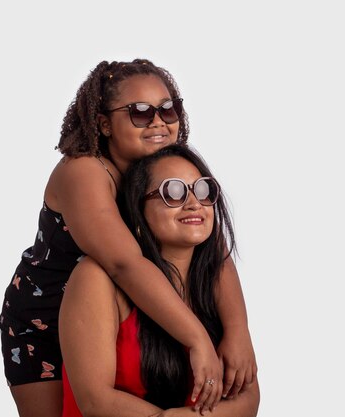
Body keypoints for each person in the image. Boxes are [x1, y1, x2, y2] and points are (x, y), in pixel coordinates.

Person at [0, 59, 256, 417]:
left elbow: (213, 251)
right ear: (104, 123)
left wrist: (237, 331)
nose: (158, 122)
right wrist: (197, 338)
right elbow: (124, 263)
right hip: (44, 319)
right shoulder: (85, 172)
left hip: (119, 309)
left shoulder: (161, 169)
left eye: (169, 110)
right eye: (139, 113)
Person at [60, 144, 259, 417]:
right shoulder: (95, 279)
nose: (194, 203)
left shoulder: (216, 284)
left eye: (202, 190)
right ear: (138, 213)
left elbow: (247, 400)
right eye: (173, 193)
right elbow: (96, 402)